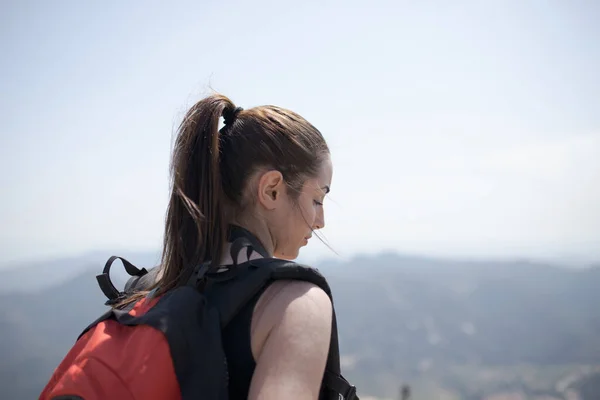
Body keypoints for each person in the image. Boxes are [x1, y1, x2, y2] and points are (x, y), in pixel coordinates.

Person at [143, 93, 334, 399]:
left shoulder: (155, 289)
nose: (320, 220)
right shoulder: (294, 304)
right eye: (317, 199)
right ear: (271, 190)